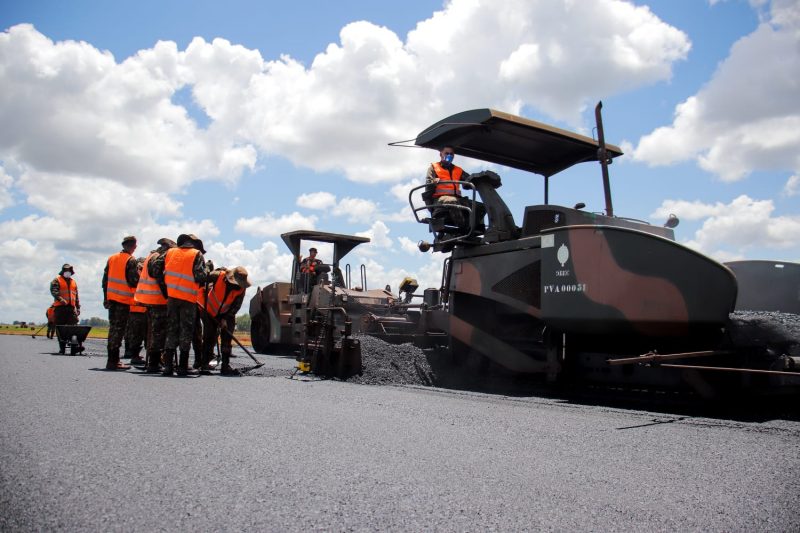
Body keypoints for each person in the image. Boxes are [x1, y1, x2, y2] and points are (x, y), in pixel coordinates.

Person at [150, 233, 208, 376]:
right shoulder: (196, 254)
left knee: (171, 331)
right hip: (188, 299)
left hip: (172, 298)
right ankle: (182, 367)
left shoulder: (170, 252)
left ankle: (168, 367)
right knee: (185, 332)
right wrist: (207, 270)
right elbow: (200, 276)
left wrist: (165, 289)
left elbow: (155, 270)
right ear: (194, 244)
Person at [135, 237, 175, 374]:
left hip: (150, 299)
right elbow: (158, 275)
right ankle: (154, 363)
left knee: (154, 331)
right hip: (158, 300)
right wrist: (167, 294)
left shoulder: (151, 256)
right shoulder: (158, 258)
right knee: (159, 333)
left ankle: (154, 361)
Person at [201, 266, 250, 376]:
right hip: (210, 311)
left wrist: (225, 318)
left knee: (227, 338)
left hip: (228, 314)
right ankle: (204, 363)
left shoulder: (242, 288)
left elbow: (236, 306)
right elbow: (202, 278)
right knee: (209, 337)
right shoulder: (218, 275)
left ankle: (225, 365)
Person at [102, 235, 140, 371]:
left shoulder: (112, 258)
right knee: (118, 331)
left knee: (113, 330)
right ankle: (113, 361)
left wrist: (105, 298)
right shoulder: (131, 260)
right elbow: (134, 281)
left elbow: (104, 280)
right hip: (122, 301)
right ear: (133, 246)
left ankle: (113, 359)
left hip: (112, 299)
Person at [425, 145, 470, 230]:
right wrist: (433, 181)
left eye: (451, 154)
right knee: (451, 201)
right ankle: (463, 229)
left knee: (476, 206)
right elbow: (428, 183)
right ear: (441, 154)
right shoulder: (434, 168)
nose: (449, 156)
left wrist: (479, 179)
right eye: (446, 153)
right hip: (438, 200)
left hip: (457, 199)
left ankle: (474, 229)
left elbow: (469, 179)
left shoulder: (458, 170)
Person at [49, 264, 80, 354]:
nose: (68, 272)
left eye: (69, 271)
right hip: (60, 308)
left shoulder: (73, 282)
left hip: (71, 309)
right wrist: (61, 299)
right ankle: (62, 348)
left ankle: (75, 346)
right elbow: (54, 291)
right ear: (63, 271)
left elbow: (76, 295)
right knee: (60, 328)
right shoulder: (56, 280)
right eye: (66, 271)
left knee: (74, 327)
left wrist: (77, 307)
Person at [124, 257, 148, 366]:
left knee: (140, 333)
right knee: (135, 334)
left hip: (143, 308)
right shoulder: (136, 275)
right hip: (135, 308)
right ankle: (133, 355)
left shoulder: (144, 274)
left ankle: (135, 354)